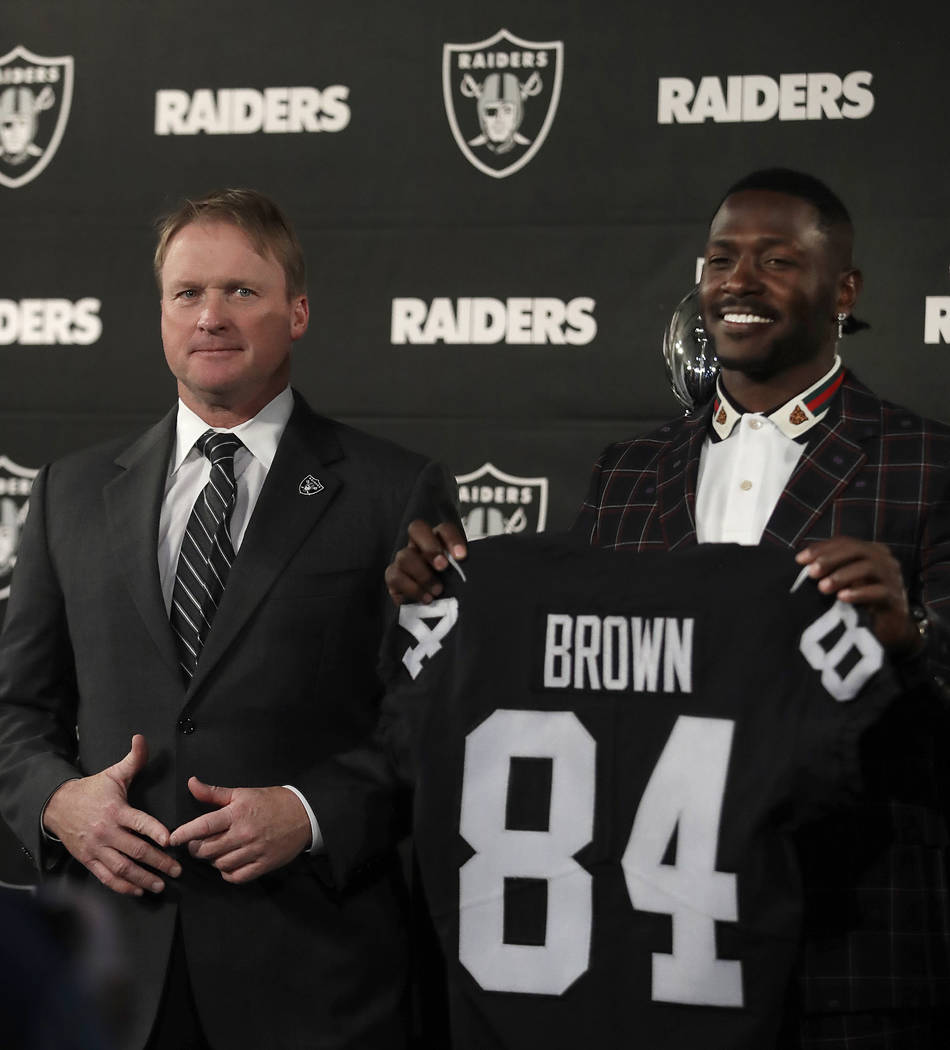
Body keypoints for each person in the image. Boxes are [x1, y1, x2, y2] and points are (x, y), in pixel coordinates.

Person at [385, 169, 950, 1048]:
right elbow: (574, 681)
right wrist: (448, 601)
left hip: (852, 960)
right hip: (657, 965)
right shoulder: (631, 470)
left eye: (776, 260)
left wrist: (909, 646)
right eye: (721, 259)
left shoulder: (928, 466)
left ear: (844, 291)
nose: (739, 282)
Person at [0, 188, 458, 1050]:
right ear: (162, 314)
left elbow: (431, 718)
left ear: (298, 311)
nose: (211, 315)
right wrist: (58, 802)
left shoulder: (395, 491)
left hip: (314, 977)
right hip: (105, 980)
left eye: (242, 291)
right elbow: (17, 711)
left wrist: (311, 810)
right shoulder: (70, 493)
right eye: (187, 293)